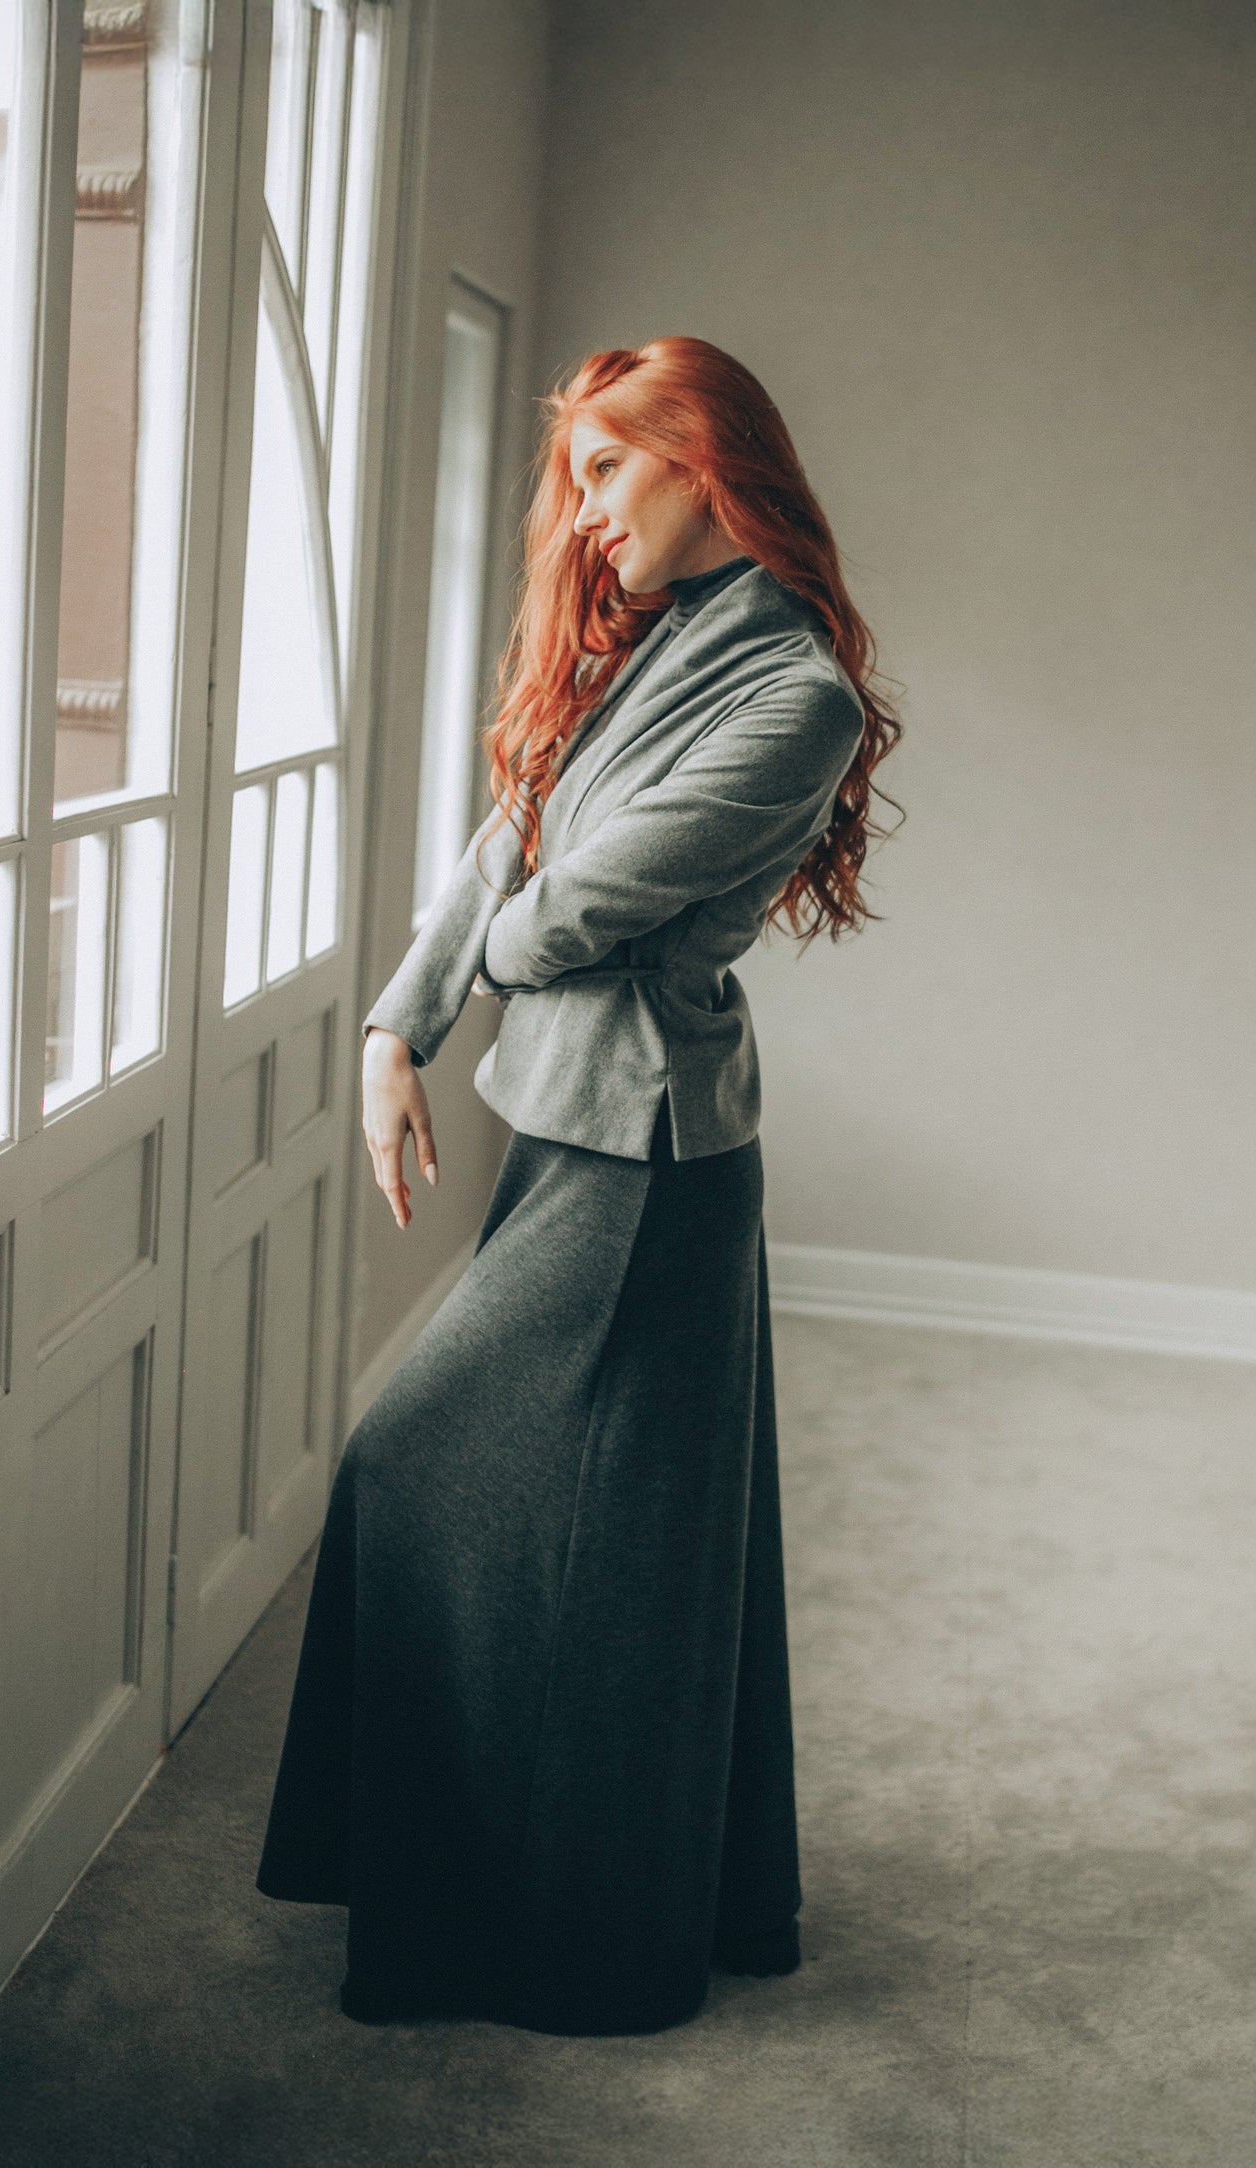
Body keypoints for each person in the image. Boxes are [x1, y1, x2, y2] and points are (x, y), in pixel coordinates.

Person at [255, 334, 901, 2036]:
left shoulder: (798, 696)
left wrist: (512, 923)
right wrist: (396, 1025)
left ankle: (530, 1935)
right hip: (572, 1128)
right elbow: (510, 847)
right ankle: (522, 1910)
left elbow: (571, 906)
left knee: (429, 1473)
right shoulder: (644, 642)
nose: (586, 513)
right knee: (610, 1552)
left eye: (608, 469)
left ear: (704, 459)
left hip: (651, 1158)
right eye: (577, 480)